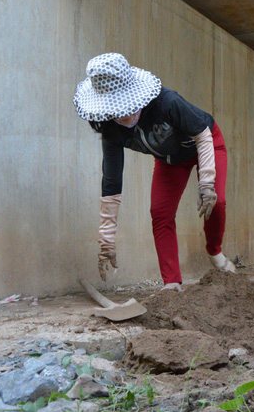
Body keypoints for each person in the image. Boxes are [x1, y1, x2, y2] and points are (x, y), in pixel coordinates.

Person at [73, 53, 236, 292]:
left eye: (126, 105)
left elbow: (202, 135)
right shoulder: (109, 127)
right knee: (160, 212)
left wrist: (207, 183)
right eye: (114, 109)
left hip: (206, 142)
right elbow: (111, 181)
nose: (122, 114)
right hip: (170, 161)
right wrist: (106, 239)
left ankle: (215, 252)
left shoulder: (166, 102)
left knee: (216, 202)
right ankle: (171, 283)